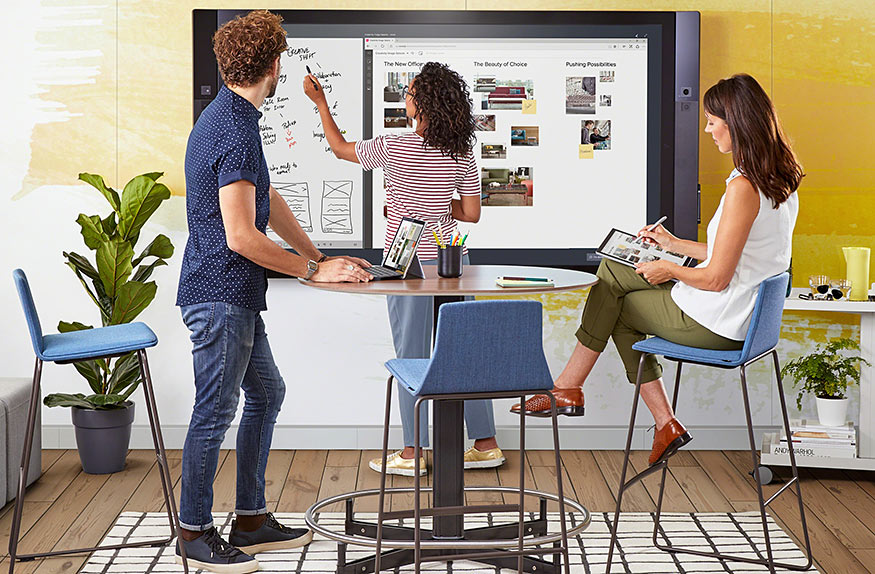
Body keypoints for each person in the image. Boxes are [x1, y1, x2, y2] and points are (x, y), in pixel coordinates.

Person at [513, 73, 802, 467]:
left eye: (712, 121)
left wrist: (669, 270)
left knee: (618, 305)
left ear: (735, 122)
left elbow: (717, 277)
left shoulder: (743, 187)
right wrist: (672, 244)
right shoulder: (779, 181)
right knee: (614, 273)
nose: (707, 129)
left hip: (720, 323)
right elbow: (737, 254)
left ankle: (577, 391)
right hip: (744, 318)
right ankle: (590, 396)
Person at [175, 10, 371, 573]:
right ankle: (194, 531)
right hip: (220, 294)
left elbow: (269, 201)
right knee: (214, 410)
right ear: (275, 64)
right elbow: (241, 236)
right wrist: (313, 275)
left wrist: (318, 256)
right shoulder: (234, 129)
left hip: (232, 295)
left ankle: (253, 518)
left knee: (266, 392)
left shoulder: (233, 117)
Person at [304, 62, 507, 477]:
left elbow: (340, 148)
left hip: (409, 264)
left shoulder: (394, 146)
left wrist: (321, 102)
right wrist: (434, 205)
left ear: (422, 104)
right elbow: (470, 214)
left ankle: (415, 453)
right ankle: (486, 445)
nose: (406, 97)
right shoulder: (462, 152)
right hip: (452, 263)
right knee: (463, 352)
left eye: (411, 91)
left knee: (411, 354)